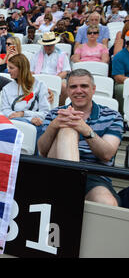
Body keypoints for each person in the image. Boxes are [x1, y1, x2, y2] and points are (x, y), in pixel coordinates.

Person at [37, 69, 124, 207]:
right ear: (68, 91)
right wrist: (55, 125)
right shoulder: (55, 114)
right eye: (73, 87)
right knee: (67, 126)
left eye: (84, 86)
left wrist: (85, 129)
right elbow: (42, 150)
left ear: (93, 89)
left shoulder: (112, 116)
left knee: (107, 202)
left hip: (94, 176)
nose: (78, 91)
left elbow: (107, 154)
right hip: (54, 170)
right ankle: (72, 189)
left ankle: (69, 193)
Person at [0, 54, 51, 134]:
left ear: (21, 69)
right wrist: (28, 119)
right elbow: (4, 111)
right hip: (14, 125)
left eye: (11, 68)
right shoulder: (7, 88)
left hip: (35, 126)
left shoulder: (39, 85)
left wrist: (23, 114)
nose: (8, 70)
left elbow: (45, 113)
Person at [30, 32, 71, 104]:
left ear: (54, 44)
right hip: (39, 79)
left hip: (56, 78)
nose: (48, 47)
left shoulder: (62, 55)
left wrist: (54, 80)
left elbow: (65, 72)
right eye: (46, 45)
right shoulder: (36, 55)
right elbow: (31, 71)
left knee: (64, 87)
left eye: (50, 45)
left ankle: (59, 107)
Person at [111, 31, 129, 114]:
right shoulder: (119, 56)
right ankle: (124, 114)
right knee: (121, 88)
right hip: (124, 82)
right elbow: (118, 77)